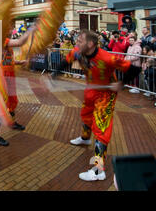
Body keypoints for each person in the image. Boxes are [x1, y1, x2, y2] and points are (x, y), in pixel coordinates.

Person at [51, 30, 140, 181]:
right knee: (86, 114)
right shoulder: (78, 52)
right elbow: (66, 61)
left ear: (90, 44)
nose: (76, 43)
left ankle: (98, 170)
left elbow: (134, 69)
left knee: (101, 130)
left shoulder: (107, 57)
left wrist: (121, 83)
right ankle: (85, 138)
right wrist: (55, 74)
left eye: (80, 41)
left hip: (106, 95)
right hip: (91, 89)